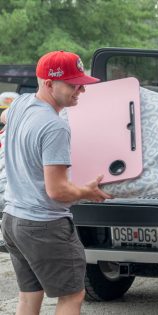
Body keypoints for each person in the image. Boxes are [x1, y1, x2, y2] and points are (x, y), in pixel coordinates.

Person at [0, 50, 112, 315]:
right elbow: (58, 190)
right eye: (73, 84)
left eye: (81, 84)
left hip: (13, 220)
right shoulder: (54, 126)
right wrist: (87, 191)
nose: (81, 90)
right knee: (72, 296)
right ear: (49, 84)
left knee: (29, 296)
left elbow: (4, 119)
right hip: (44, 226)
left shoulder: (20, 105)